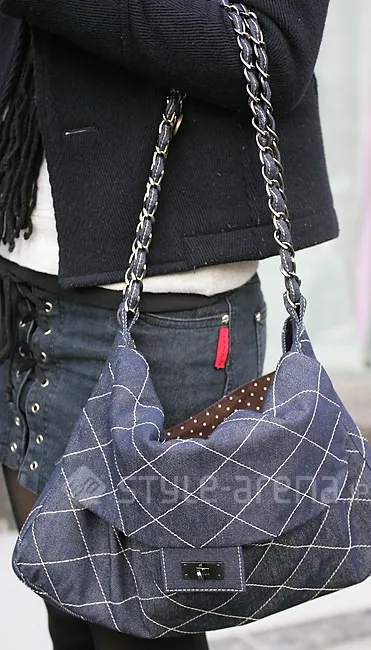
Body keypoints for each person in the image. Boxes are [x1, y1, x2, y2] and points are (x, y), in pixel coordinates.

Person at [0, 1, 337, 648]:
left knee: (146, 627)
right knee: (66, 609)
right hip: (26, 276)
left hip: (168, 306)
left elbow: (272, 51)